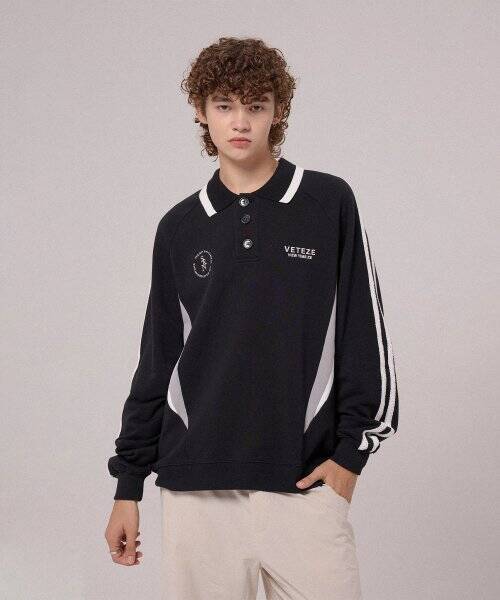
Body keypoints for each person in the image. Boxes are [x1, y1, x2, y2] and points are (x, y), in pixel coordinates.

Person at [104, 36, 399, 600]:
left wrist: (350, 457)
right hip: (196, 488)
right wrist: (128, 484)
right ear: (201, 111)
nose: (240, 122)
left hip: (304, 481)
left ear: (277, 111)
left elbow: (365, 332)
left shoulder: (327, 202)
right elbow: (158, 359)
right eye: (224, 105)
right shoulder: (179, 227)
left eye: (255, 105)